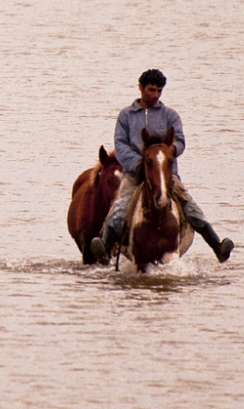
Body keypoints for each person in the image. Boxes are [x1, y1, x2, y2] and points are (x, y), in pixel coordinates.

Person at [90, 69, 234, 266]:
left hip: (165, 173)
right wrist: (139, 164)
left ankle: (217, 246)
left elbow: (181, 142)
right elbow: (121, 146)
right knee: (120, 207)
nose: (155, 95)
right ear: (141, 88)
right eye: (151, 90)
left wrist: (167, 155)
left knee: (189, 206)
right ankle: (105, 248)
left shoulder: (170, 115)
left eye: (159, 91)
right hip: (135, 173)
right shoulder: (126, 116)